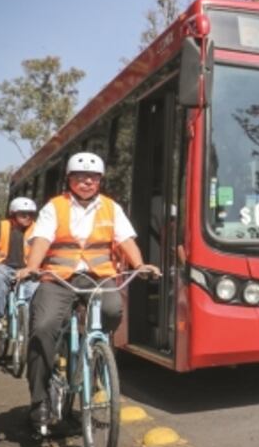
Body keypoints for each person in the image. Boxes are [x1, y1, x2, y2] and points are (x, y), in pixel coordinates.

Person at [16, 152, 159, 431]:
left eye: (92, 178)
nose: (87, 182)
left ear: (100, 181)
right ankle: (39, 400)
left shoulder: (110, 207)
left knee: (112, 310)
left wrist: (140, 264)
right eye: (80, 177)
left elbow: (125, 239)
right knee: (43, 327)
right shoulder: (53, 207)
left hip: (97, 276)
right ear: (69, 179)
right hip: (57, 277)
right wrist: (33, 266)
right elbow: (42, 239)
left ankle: (92, 354)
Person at [0, 197, 39, 332]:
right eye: (23, 214)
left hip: (28, 269)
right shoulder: (0, 226)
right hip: (2, 267)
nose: (27, 217)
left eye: (31, 214)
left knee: (36, 290)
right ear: (13, 214)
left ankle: (28, 324)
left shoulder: (38, 228)